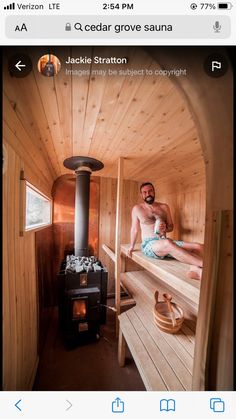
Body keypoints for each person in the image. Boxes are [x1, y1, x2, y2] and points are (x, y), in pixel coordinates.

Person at [127, 182, 204, 280]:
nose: (148, 194)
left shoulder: (164, 207)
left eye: (150, 191)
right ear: (141, 194)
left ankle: (196, 270)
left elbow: (171, 226)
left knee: (198, 247)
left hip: (164, 241)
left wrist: (165, 228)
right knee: (167, 243)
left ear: (154, 192)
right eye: (144, 192)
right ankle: (205, 265)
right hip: (149, 245)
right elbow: (134, 229)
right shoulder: (137, 209)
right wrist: (131, 246)